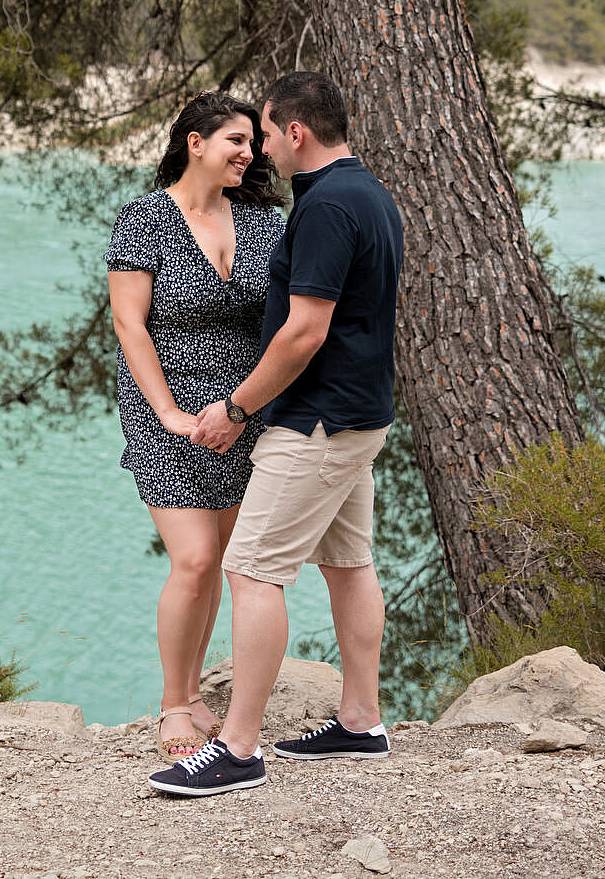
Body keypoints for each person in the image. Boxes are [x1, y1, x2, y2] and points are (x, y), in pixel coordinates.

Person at [146, 71, 404, 798]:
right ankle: (361, 721)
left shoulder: (324, 208)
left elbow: (305, 332)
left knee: (252, 570)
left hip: (316, 420)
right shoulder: (372, 194)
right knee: (349, 563)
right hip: (362, 415)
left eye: (264, 133)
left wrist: (235, 407)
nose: (261, 148)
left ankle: (238, 748)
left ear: (296, 132)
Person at [105, 91, 286, 761]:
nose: (249, 152)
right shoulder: (146, 219)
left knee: (227, 562)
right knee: (195, 558)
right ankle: (174, 704)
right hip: (166, 408)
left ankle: (196, 689)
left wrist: (245, 407)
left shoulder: (265, 222)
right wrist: (169, 414)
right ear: (195, 142)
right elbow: (129, 324)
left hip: (242, 412)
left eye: (252, 142)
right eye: (236, 140)